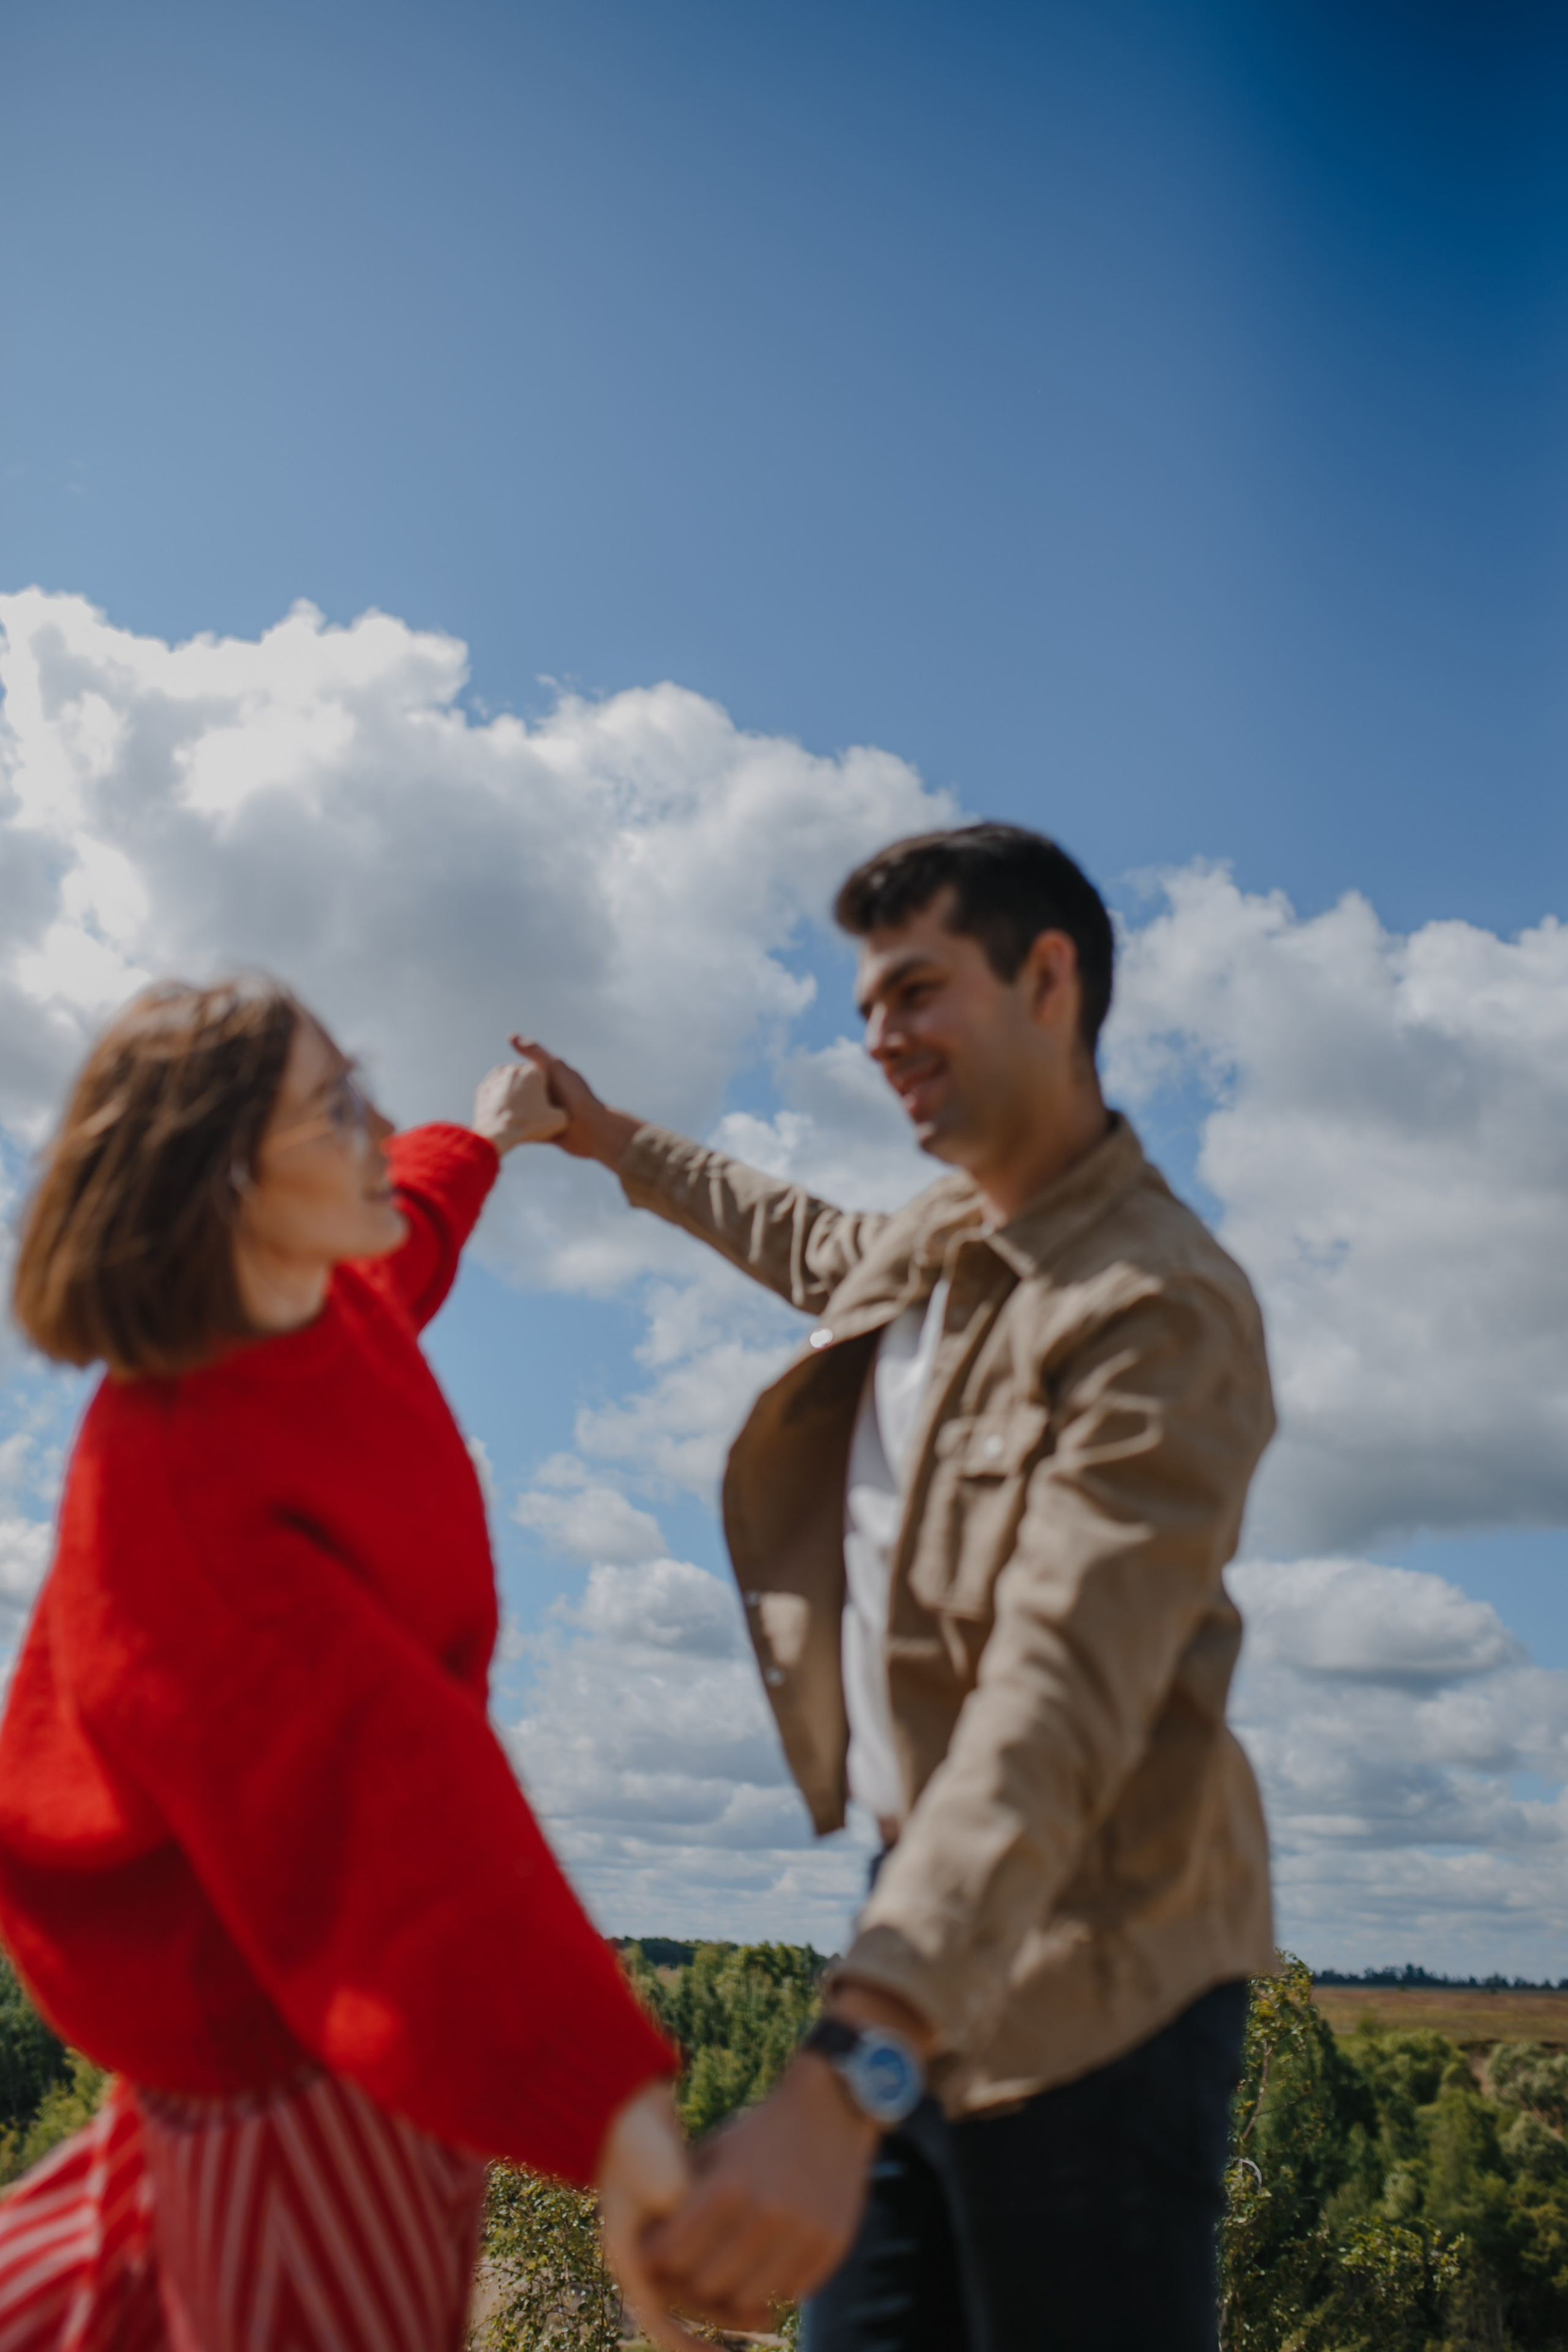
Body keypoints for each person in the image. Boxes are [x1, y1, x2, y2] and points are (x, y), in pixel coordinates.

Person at [517, 822, 1278, 2352]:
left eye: (916, 992)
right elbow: (801, 1238)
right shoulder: (938, 1241)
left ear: (1047, 978)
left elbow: (1053, 1703)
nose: (878, 1039)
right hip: (916, 1924)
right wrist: (607, 1143)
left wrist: (848, 2072)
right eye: (865, 1006)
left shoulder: (1158, 1313)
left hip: (1103, 1973)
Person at [0, 978, 703, 2352]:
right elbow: (396, 1810)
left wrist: (488, 1135)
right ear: (231, 1190)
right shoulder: (191, 1487)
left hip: (237, 2021)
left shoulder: (307, 1316)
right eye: (336, 1111)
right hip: (311, 2090)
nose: (377, 1126)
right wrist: (625, 2119)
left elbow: (410, 1238)